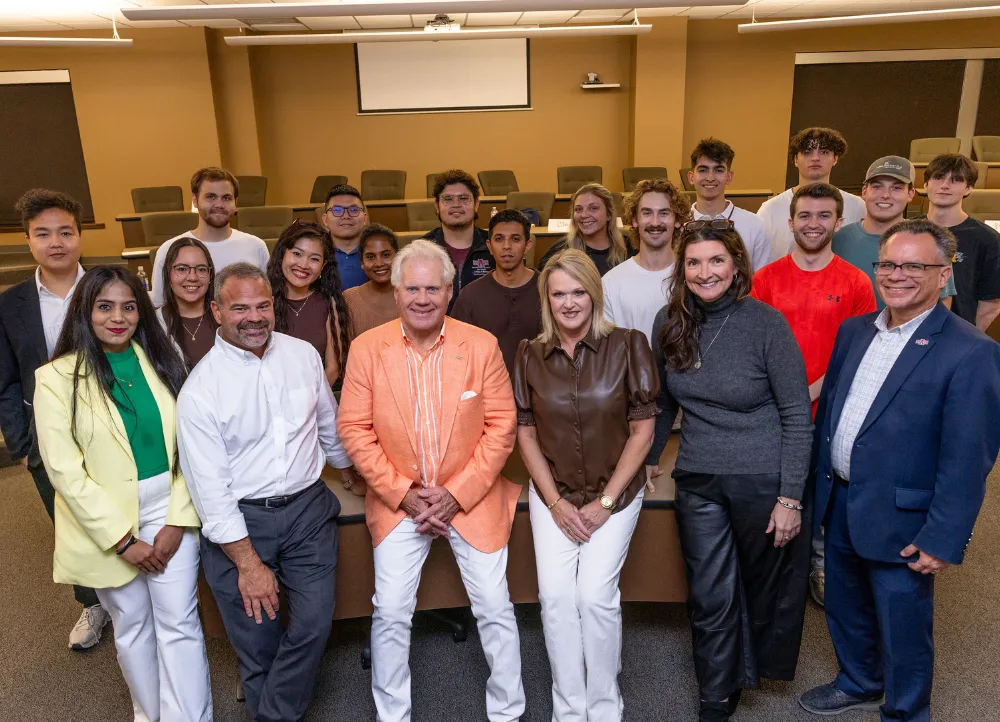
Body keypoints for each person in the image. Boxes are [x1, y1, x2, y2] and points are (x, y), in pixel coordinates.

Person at [798, 219, 1000, 721]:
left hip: (904, 517)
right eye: (888, 264)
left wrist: (942, 537)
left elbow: (968, 457)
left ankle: (907, 710)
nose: (896, 275)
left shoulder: (972, 351)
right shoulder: (854, 331)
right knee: (844, 603)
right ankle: (859, 681)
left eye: (914, 266)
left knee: (902, 622)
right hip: (840, 499)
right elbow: (834, 414)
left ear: (943, 274)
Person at [338, 240, 525, 722]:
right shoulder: (367, 349)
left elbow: (501, 426)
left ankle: (508, 712)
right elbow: (354, 429)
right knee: (390, 611)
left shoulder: (480, 345)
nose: (422, 299)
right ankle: (392, 715)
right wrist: (404, 494)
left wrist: (455, 495)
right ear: (397, 292)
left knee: (494, 606)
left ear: (449, 291)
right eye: (412, 289)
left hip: (470, 497)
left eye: (433, 289)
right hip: (399, 500)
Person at [177, 263, 360, 722]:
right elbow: (211, 492)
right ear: (217, 310)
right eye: (240, 308)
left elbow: (326, 424)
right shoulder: (200, 390)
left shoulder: (302, 355)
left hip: (307, 513)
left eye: (263, 306)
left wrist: (352, 471)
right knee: (258, 643)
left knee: (313, 625)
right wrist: (248, 564)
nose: (254, 318)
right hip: (241, 524)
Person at [648, 223, 813, 722]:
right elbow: (662, 403)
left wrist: (790, 498)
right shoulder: (668, 322)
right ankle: (715, 693)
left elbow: (796, 415)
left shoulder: (766, 324)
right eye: (694, 262)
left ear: (737, 265)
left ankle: (750, 669)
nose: (705, 272)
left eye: (716, 260)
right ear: (682, 270)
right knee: (709, 591)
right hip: (699, 476)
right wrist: (649, 458)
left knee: (763, 587)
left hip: (762, 476)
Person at [34, 266, 212, 721]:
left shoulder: (163, 358)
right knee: (133, 628)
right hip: (107, 521)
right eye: (105, 306)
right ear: (84, 311)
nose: (118, 317)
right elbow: (65, 472)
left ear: (141, 312)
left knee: (180, 623)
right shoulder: (56, 378)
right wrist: (122, 540)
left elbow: (191, 446)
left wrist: (178, 519)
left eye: (129, 307)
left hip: (170, 506)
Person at [513, 249, 658, 722]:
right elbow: (525, 434)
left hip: (614, 494)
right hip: (552, 495)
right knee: (556, 600)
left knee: (594, 597)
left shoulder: (628, 345)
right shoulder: (529, 354)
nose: (569, 303)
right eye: (559, 294)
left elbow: (643, 432)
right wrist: (555, 503)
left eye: (579, 292)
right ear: (547, 300)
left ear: (594, 294)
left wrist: (606, 502)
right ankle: (570, 710)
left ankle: (604, 706)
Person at [751, 183, 876, 608]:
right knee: (775, 490)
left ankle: (820, 566)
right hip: (771, 410)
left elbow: (858, 354)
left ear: (839, 223)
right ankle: (775, 570)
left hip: (829, 408)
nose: (813, 223)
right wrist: (786, 399)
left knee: (823, 492)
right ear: (790, 222)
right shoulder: (765, 280)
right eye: (804, 215)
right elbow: (752, 348)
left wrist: (806, 394)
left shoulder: (856, 282)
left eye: (824, 216)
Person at [0, 189, 108, 649]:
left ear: (80, 236)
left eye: (65, 232)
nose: (56, 242)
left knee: (122, 512)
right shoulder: (11, 303)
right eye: (43, 234)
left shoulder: (109, 288)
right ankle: (93, 603)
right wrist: (22, 445)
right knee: (70, 523)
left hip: (112, 428)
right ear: (28, 241)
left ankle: (136, 594)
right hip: (45, 435)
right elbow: (6, 379)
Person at [833, 155, 956, 310]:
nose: (885, 195)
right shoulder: (837, 239)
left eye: (896, 188)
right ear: (864, 192)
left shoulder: (930, 241)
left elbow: (943, 302)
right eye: (877, 186)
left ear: (910, 194)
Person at [151, 167, 269, 307]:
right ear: (195, 200)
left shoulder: (256, 246)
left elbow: (266, 301)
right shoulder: (169, 249)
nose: (219, 204)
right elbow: (159, 305)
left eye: (226, 198)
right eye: (211, 197)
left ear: (235, 203)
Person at [451, 208, 542, 376]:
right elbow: (457, 355)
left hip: (541, 388)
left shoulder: (549, 289)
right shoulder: (470, 296)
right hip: (487, 387)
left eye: (515, 239)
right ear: (489, 246)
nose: (507, 246)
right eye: (499, 239)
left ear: (527, 246)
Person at [757, 127, 866, 263]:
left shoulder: (857, 206)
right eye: (807, 152)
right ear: (795, 160)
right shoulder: (770, 209)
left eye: (824, 152)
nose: (815, 158)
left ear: (835, 159)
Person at [603, 178, 690, 344]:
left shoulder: (694, 276)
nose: (655, 222)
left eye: (664, 213)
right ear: (635, 220)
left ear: (678, 220)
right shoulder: (610, 283)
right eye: (647, 213)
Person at [266, 220, 351, 387]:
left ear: (323, 266)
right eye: (297, 254)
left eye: (314, 259)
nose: (303, 265)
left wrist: (309, 398)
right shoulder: (262, 299)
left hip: (315, 396)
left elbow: (333, 368)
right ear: (283, 254)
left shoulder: (329, 302)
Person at [922, 153, 1000, 331]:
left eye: (956, 180)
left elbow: (990, 305)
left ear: (968, 188)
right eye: (938, 177)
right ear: (925, 184)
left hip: (958, 335)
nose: (944, 185)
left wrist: (967, 339)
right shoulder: (907, 231)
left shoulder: (988, 239)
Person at [688, 138, 770, 272]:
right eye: (703, 170)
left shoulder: (755, 225)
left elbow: (762, 279)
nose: (710, 177)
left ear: (729, 177)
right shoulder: (678, 226)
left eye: (719, 170)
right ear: (691, 177)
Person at [422, 169, 493, 311]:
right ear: (437, 205)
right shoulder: (422, 248)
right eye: (448, 199)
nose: (456, 204)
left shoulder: (494, 245)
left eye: (464, 198)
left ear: (476, 204)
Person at [538, 183, 635, 276]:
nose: (584, 215)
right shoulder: (560, 250)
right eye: (578, 209)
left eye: (593, 208)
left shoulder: (629, 248)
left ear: (609, 214)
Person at [155, 236, 218, 369]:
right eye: (182, 269)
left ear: (210, 276)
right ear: (168, 274)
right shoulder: (154, 323)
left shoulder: (225, 317)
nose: (192, 277)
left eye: (201, 269)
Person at [343, 223, 401, 338]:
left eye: (386, 255)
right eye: (370, 257)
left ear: (398, 257)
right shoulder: (349, 299)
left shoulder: (415, 294)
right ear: (362, 263)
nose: (379, 263)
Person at [319, 183, 370, 291]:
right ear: (325, 220)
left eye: (354, 210)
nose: (346, 216)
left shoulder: (378, 253)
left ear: (365, 218)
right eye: (337, 210)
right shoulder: (315, 253)